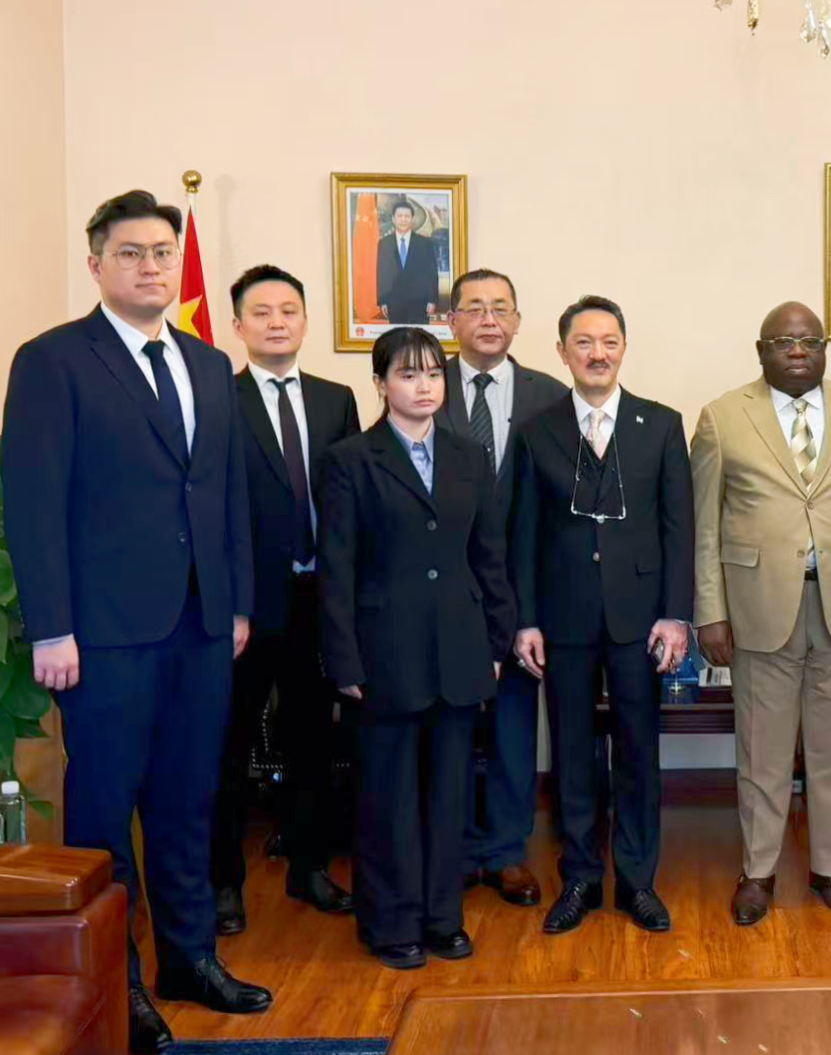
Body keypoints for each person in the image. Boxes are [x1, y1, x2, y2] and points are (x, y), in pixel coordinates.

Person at [2, 190, 273, 1054]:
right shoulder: (52, 361)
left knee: (189, 802)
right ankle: (113, 981)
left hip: (202, 625)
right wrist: (51, 626)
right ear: (96, 264)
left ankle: (190, 959)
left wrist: (235, 602)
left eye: (162, 252)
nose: (151, 266)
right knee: (104, 811)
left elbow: (225, 493)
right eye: (131, 252)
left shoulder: (207, 363)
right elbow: (33, 502)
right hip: (102, 633)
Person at [318, 328, 516, 969]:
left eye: (433, 374)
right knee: (388, 798)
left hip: (459, 649)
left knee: (449, 794)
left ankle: (441, 916)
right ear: (380, 384)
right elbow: (337, 569)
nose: (424, 386)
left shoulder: (469, 456)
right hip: (384, 653)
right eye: (407, 375)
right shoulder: (351, 459)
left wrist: (496, 641)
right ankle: (390, 921)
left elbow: (489, 557)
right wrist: (343, 659)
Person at [691, 302, 831, 926]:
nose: (798, 350)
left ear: (825, 348)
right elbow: (704, 526)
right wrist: (710, 612)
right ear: (761, 350)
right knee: (763, 752)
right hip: (758, 609)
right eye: (784, 341)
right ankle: (759, 872)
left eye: (810, 341)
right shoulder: (723, 417)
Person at [510, 296, 693, 935]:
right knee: (571, 752)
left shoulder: (661, 425)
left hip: (640, 619)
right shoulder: (536, 430)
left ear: (623, 348)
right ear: (562, 352)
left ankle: (638, 881)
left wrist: (676, 615)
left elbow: (679, 527)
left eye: (609, 341)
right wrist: (526, 620)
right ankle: (581, 878)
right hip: (563, 618)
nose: (597, 353)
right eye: (584, 342)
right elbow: (523, 534)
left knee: (639, 751)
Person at [213, 265, 362, 937]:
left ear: (305, 320)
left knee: (312, 742)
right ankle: (224, 883)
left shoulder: (336, 399)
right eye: (262, 312)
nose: (277, 322)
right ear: (238, 325)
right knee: (231, 745)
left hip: (318, 600)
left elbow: (348, 503)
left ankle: (310, 867)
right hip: (245, 606)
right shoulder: (219, 398)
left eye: (289, 310)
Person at [438, 267, 569, 909]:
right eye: (474, 308)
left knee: (516, 724)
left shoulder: (551, 395)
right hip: (446, 588)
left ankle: (507, 851)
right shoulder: (426, 383)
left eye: (500, 308)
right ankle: (457, 850)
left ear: (517, 321)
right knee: (454, 723)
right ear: (451, 321)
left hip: (524, 590)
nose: (488, 319)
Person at [375, 200, 440, 325]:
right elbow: (382, 272)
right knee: (398, 335)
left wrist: (432, 300)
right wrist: (383, 301)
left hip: (420, 302)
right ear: (393, 219)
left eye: (407, 216)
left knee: (418, 335)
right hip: (394, 302)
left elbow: (432, 273)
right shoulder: (384, 244)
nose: (403, 219)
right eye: (400, 216)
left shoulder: (425, 243)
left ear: (412, 219)